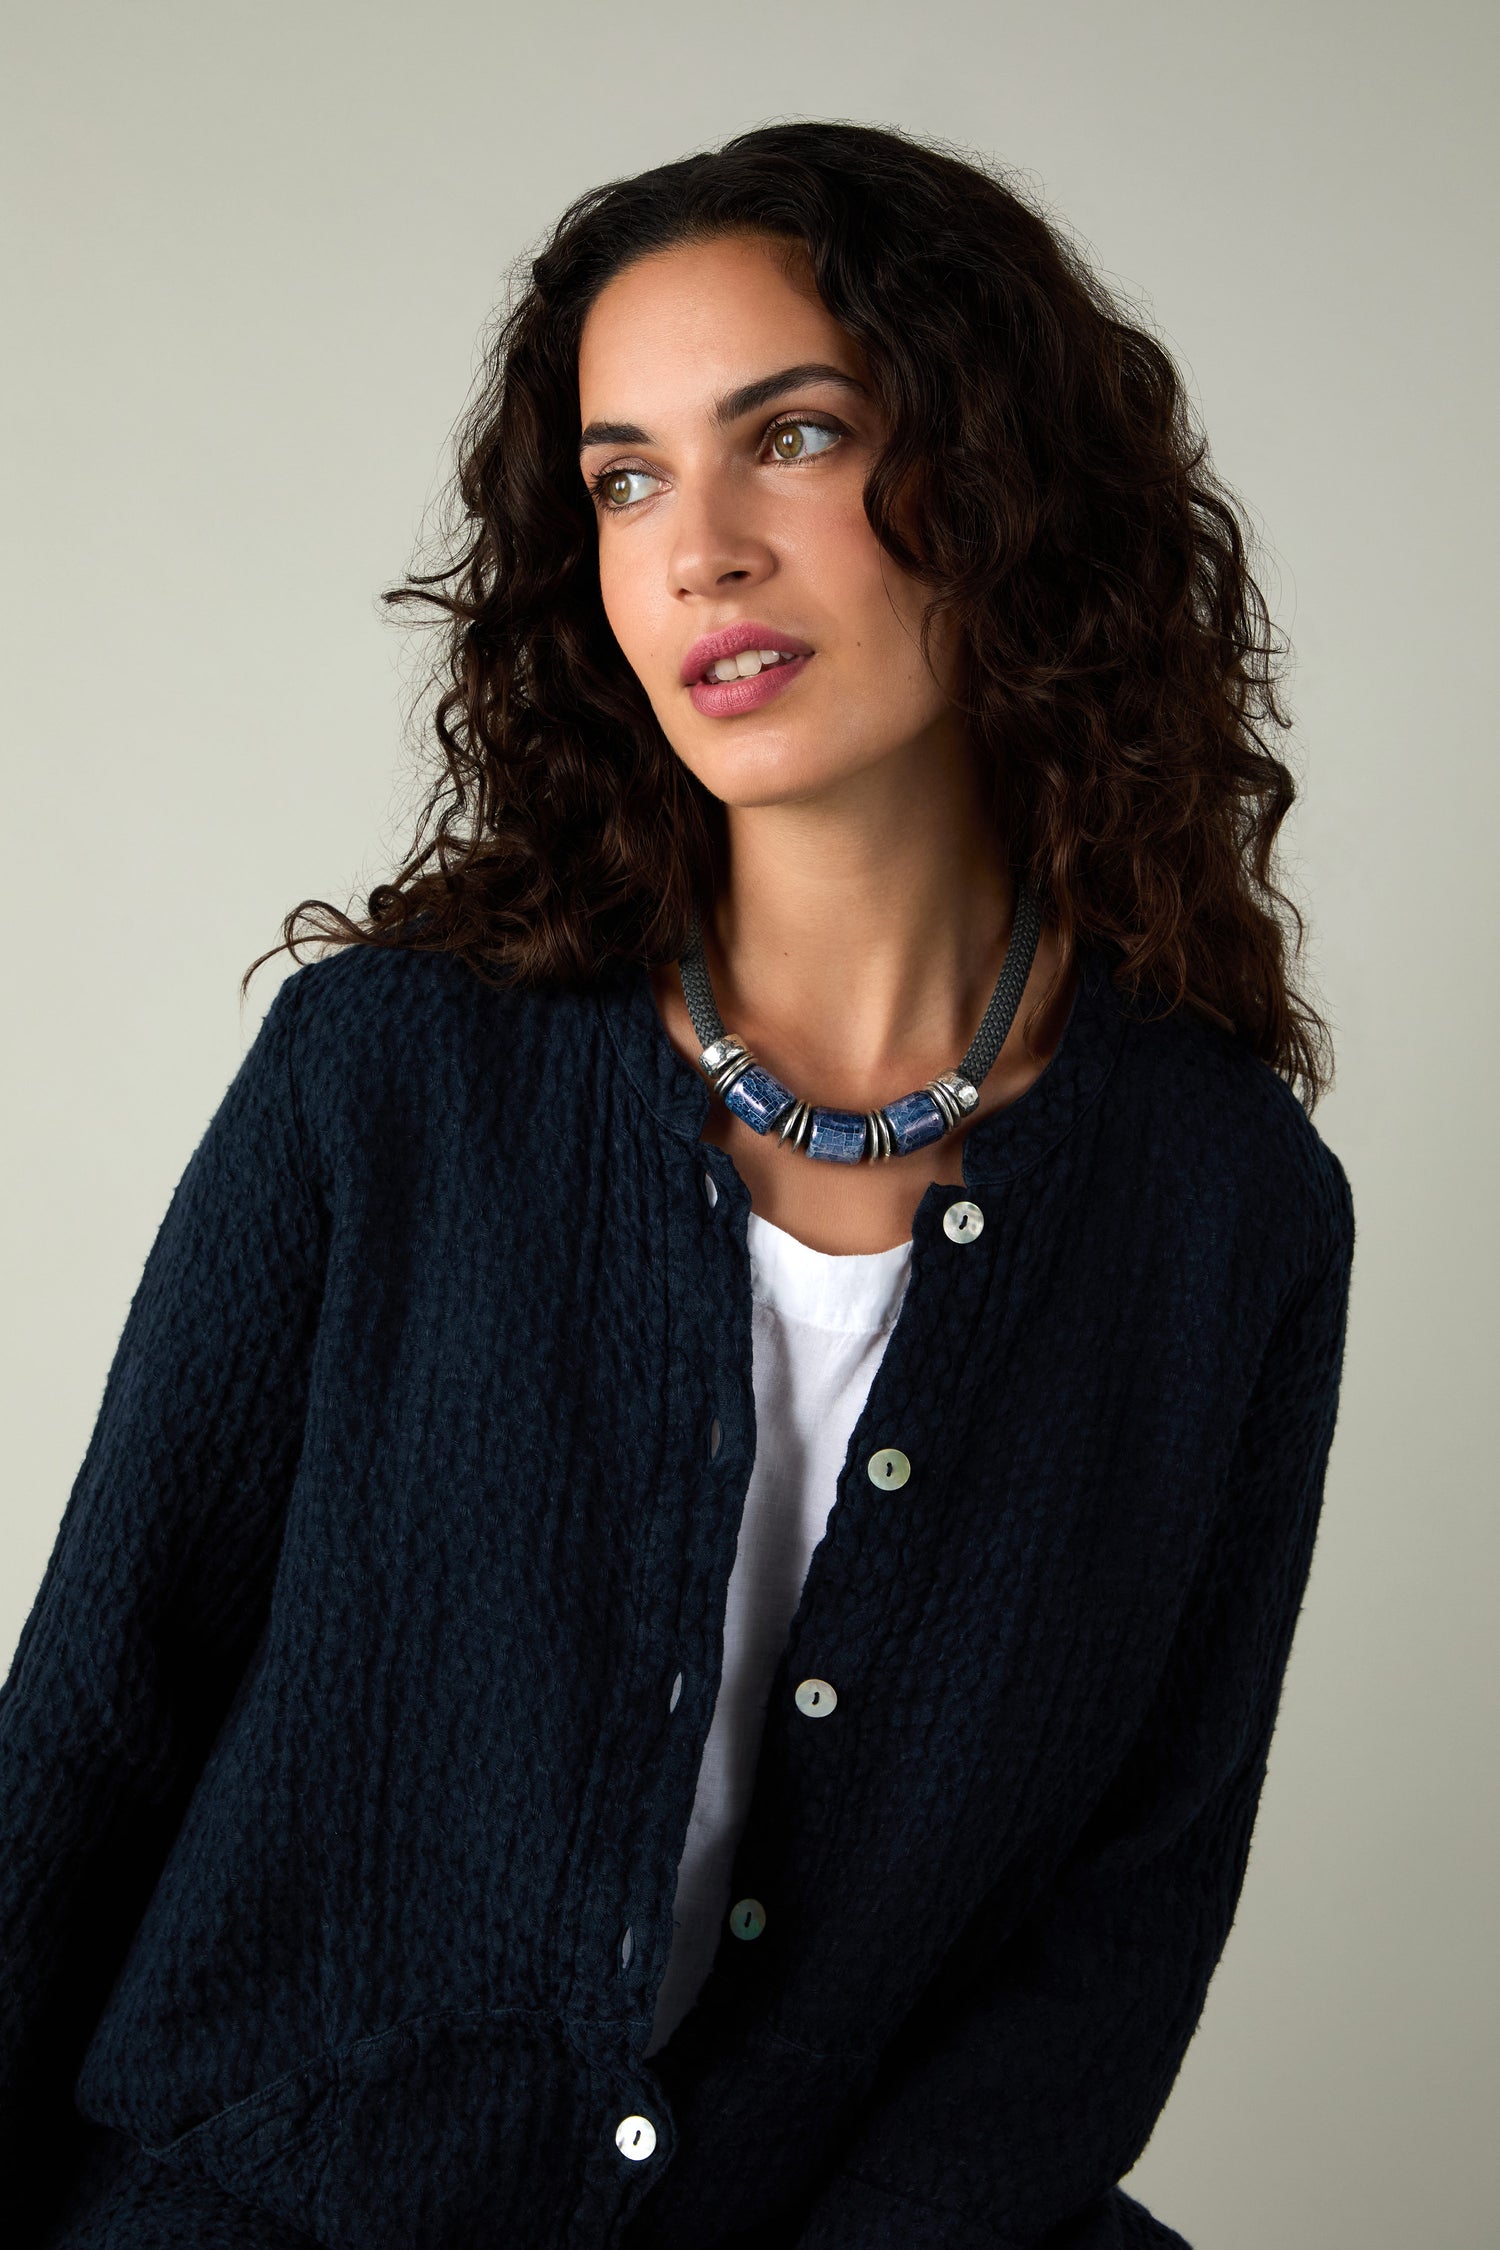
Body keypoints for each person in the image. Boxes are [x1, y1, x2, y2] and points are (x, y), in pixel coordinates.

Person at [0, 121, 1355, 2250]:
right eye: (627, 479)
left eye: (792, 437)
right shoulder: (393, 1080)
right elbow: (95, 1717)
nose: (696, 548)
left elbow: (1120, 1926)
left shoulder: (1226, 1207)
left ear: (1001, 489)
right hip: (290, 2203)